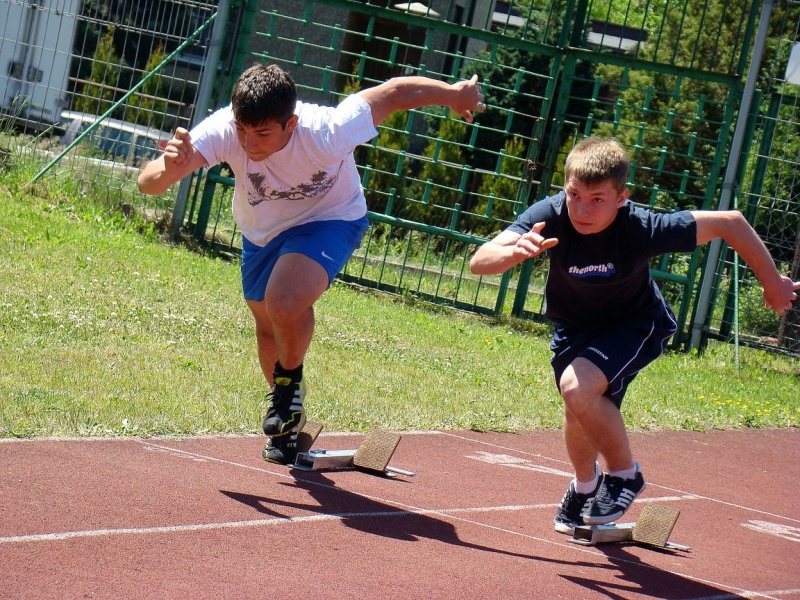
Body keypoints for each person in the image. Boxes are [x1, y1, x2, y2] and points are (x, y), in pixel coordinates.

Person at [138, 64, 486, 464]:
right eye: (243, 131)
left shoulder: (328, 130)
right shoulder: (224, 129)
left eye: (263, 134)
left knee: (284, 300)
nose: (249, 144)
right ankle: (287, 423)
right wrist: (168, 167)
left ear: (291, 124)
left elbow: (394, 93)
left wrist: (454, 95)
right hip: (262, 233)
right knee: (268, 328)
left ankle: (287, 392)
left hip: (331, 219)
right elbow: (149, 184)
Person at [469, 137, 799, 533]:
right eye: (574, 194)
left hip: (635, 324)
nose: (582, 209)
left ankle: (625, 475)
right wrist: (512, 252)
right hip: (575, 328)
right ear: (565, 186)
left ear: (621, 197)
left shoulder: (642, 227)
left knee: (577, 389)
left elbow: (730, 222)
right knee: (577, 410)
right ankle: (586, 486)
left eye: (597, 199)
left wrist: (772, 282)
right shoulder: (550, 215)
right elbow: (479, 262)